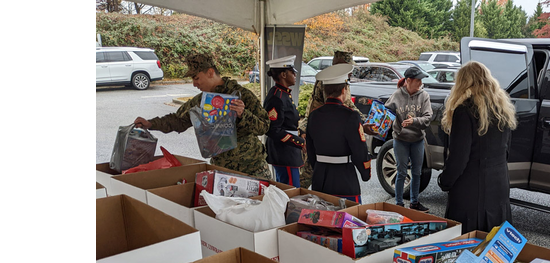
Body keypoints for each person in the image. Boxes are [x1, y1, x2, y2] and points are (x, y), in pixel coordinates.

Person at [134, 53, 272, 179]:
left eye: (196, 78)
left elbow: (264, 126)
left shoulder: (242, 95)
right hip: (222, 170)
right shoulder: (201, 101)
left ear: (210, 72)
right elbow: (178, 120)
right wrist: (151, 124)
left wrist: (243, 114)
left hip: (253, 169)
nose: (194, 84)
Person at [437, 61, 519, 233]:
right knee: (493, 247)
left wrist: (445, 181)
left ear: (463, 83)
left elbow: (459, 158)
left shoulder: (465, 111)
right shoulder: (501, 108)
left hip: (471, 191)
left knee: (468, 246)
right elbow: (506, 150)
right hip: (499, 185)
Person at [298, 51, 372, 189]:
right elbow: (334, 108)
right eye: (348, 66)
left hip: (325, 124)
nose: (351, 70)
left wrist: (363, 122)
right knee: (307, 176)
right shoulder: (329, 82)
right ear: (340, 65)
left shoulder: (340, 81)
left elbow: (348, 105)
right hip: (322, 127)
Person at [384, 66, 432, 212]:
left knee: (417, 172)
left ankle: (414, 202)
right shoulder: (397, 95)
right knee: (401, 172)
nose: (420, 83)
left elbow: (428, 118)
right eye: (418, 80)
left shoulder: (424, 96)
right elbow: (386, 112)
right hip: (401, 139)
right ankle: (399, 204)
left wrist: (414, 121)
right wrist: (389, 123)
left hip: (417, 139)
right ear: (408, 81)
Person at [263, 55, 305, 188]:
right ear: (283, 75)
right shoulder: (277, 97)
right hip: (283, 151)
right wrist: (299, 142)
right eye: (292, 72)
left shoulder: (284, 94)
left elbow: (289, 122)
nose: (294, 75)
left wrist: (301, 133)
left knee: (291, 189)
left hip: (288, 150)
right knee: (291, 191)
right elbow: (273, 129)